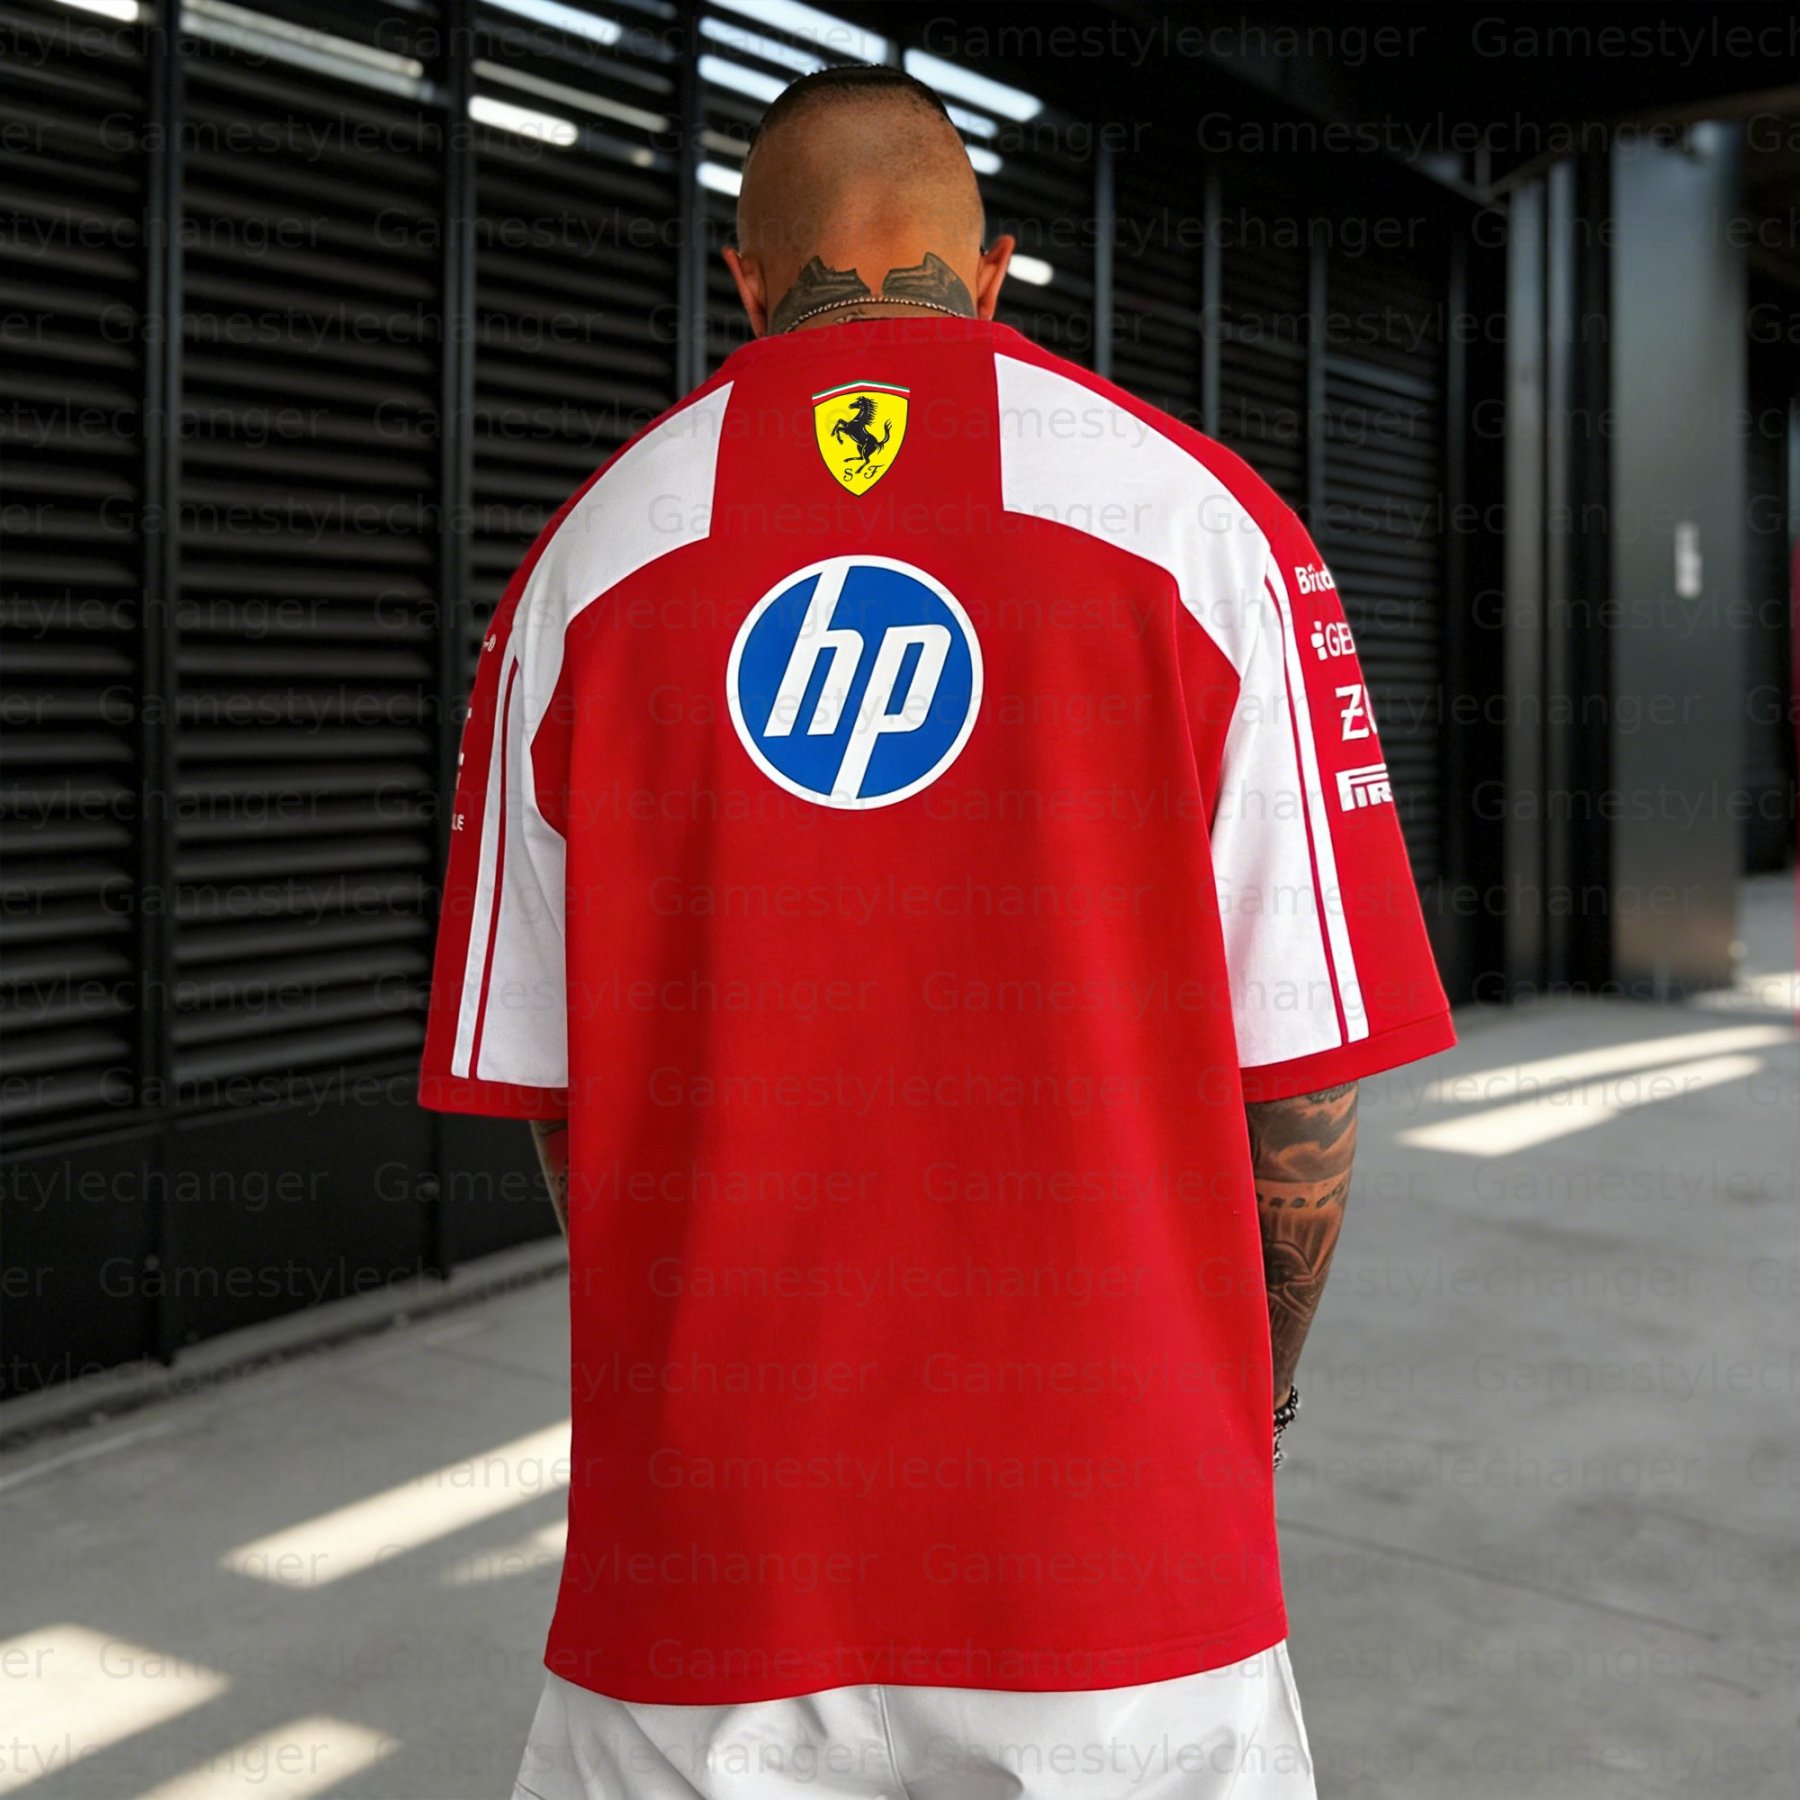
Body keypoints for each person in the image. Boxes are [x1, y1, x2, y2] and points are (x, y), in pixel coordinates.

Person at [419, 62, 1455, 1800]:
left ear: (745, 278)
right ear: (992, 272)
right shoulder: (1204, 530)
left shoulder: (583, 570)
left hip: (709, 1562)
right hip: (1119, 1555)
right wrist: (1249, 1396)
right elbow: (1301, 1092)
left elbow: (558, 1098)